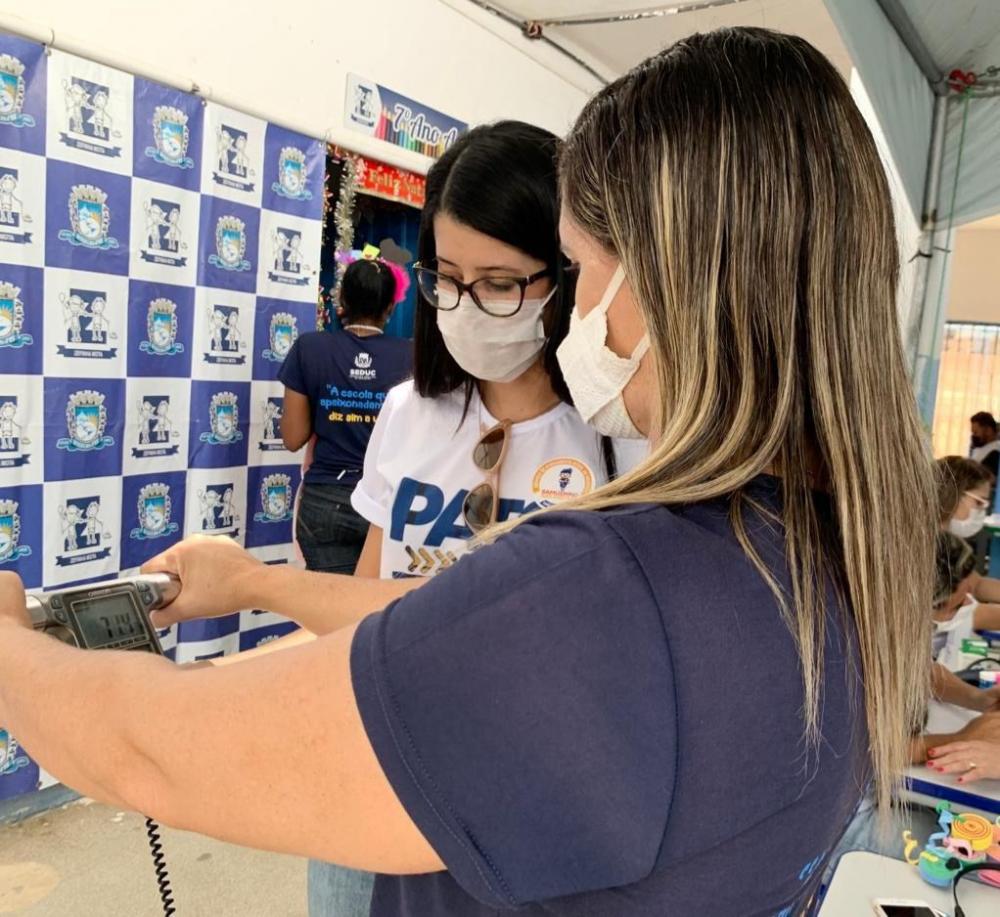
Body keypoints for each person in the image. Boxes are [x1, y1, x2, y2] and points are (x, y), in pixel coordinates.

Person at [0, 28, 940, 916]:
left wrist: (16, 653)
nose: (578, 322)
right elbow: (420, 626)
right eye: (447, 276)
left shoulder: (606, 586)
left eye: (572, 270)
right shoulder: (841, 552)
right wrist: (251, 585)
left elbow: (153, 755)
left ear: (672, 274)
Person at [308, 120, 637, 915]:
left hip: (525, 798)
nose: (466, 305)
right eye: (445, 277)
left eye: (499, 281)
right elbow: (367, 586)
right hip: (378, 762)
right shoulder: (408, 410)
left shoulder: (621, 436)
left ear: (565, 276)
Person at [279, 256, 412, 576]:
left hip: (325, 499)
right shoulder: (412, 356)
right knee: (376, 613)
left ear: (342, 301)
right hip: (387, 502)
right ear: (390, 308)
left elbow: (293, 437)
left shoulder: (308, 348)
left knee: (328, 615)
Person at [969, 411, 1000, 479]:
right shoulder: (980, 447)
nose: (973, 436)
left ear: (988, 431)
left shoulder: (995, 452)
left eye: (976, 432)